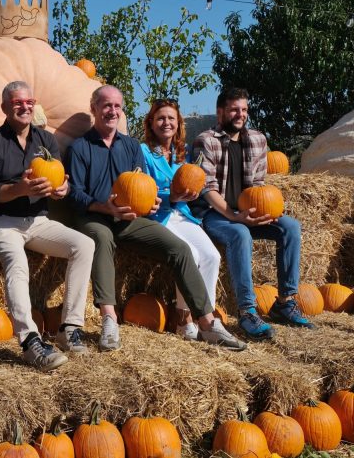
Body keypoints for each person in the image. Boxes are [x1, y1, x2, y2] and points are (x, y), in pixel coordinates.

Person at [65, 85, 246, 351]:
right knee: (102, 238)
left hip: (128, 218)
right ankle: (109, 318)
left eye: (117, 106)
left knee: (180, 248)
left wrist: (150, 204)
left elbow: (141, 186)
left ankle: (207, 322)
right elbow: (74, 195)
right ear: (93, 109)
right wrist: (106, 208)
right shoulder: (80, 147)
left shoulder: (129, 146)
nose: (112, 111)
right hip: (94, 216)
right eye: (106, 105)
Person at [0, 81, 94, 371]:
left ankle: (69, 327)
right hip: (2, 221)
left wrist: (61, 189)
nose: (24, 107)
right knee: (17, 264)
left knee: (84, 245)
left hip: (38, 220)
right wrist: (20, 189)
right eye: (17, 103)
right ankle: (30, 341)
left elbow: (59, 181)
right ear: (5, 107)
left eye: (28, 102)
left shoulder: (46, 141)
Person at [191, 87, 313, 339]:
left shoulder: (258, 140)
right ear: (221, 111)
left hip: (247, 211)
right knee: (240, 234)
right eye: (235, 109)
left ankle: (285, 302)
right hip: (216, 214)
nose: (240, 114)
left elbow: (258, 184)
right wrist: (234, 216)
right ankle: (247, 311)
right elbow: (206, 188)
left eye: (244, 109)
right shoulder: (206, 140)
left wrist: (266, 211)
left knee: (290, 227)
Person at [141, 99, 245, 348]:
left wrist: (191, 192)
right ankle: (184, 318)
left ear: (178, 125)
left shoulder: (182, 154)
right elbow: (140, 190)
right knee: (192, 254)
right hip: (159, 216)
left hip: (182, 214)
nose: (166, 123)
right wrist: (171, 196)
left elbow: (193, 184)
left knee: (211, 256)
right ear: (151, 124)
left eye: (171, 119)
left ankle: (202, 318)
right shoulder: (143, 152)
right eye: (161, 118)